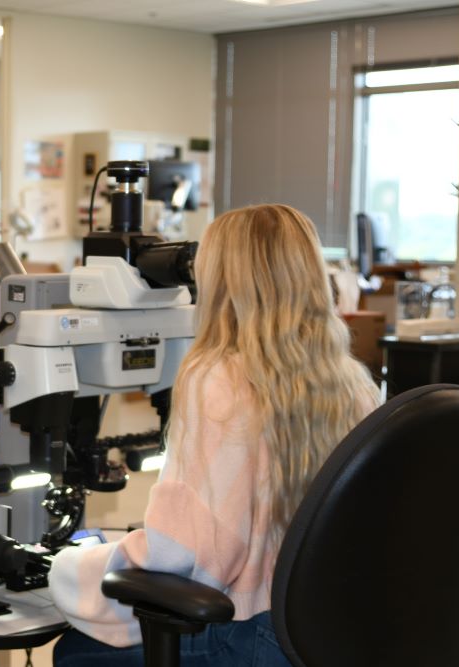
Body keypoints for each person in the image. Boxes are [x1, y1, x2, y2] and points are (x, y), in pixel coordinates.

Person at [48, 204, 381, 666]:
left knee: (76, 652)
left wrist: (71, 567)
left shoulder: (219, 375)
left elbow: (191, 555)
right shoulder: (353, 383)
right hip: (323, 636)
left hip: (246, 640)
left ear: (222, 282)